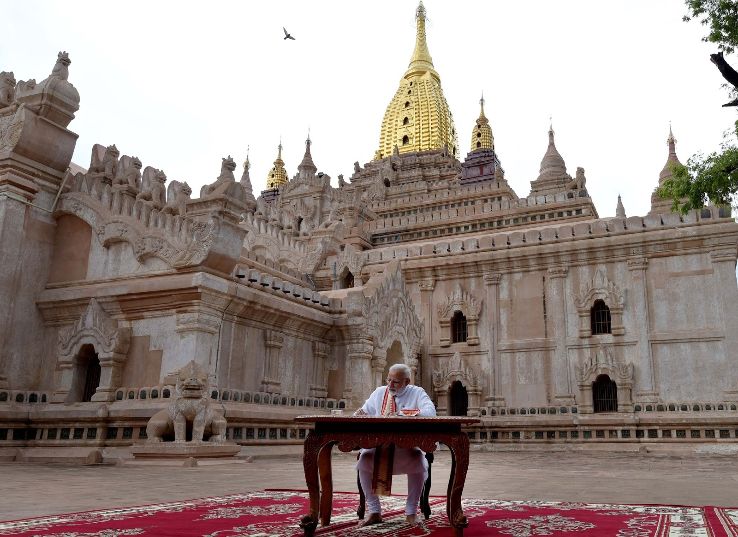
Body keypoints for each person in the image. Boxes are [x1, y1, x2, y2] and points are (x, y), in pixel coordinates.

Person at [354, 363, 436, 526]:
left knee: (419, 461)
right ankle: (375, 511)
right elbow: (363, 412)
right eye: (388, 380)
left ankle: (411, 512)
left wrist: (406, 414)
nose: (390, 385)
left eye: (396, 382)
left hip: (406, 447)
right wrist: (358, 414)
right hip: (380, 447)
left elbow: (430, 412)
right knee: (363, 460)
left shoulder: (417, 393)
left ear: (407, 381)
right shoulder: (379, 393)